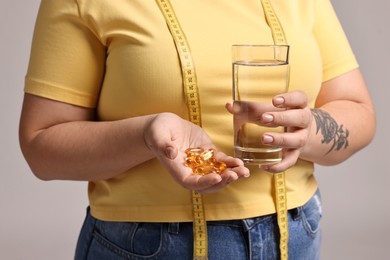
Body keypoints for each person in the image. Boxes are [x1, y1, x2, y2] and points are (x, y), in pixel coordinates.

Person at [19, 0, 376, 259]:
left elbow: (359, 112)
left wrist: (308, 129)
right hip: (150, 246)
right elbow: (41, 146)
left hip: (295, 233)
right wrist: (146, 134)